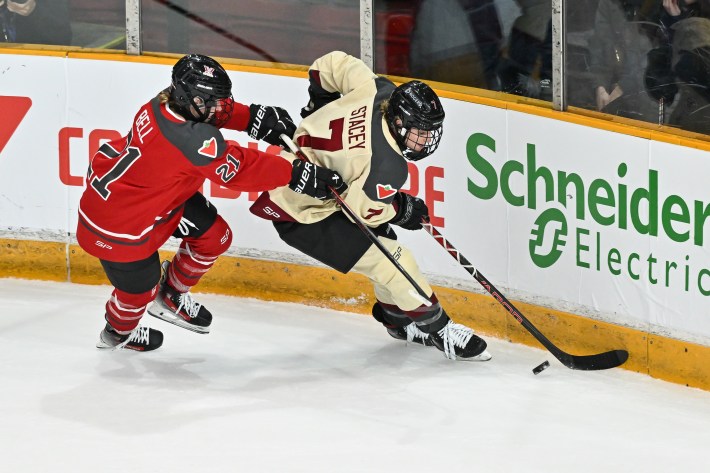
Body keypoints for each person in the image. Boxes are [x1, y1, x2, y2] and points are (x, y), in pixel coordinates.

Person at [77, 53, 344, 352]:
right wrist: (295, 173)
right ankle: (116, 333)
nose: (221, 107)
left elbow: (204, 115)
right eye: (212, 101)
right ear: (189, 97)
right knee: (138, 292)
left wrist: (251, 118)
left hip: (150, 197)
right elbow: (238, 169)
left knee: (216, 236)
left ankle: (171, 296)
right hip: (118, 228)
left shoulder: (163, 103)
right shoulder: (189, 140)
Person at [250, 51, 491, 361]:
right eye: (420, 133)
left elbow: (330, 64)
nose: (426, 141)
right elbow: (361, 212)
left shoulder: (378, 91)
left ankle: (397, 321)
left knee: (384, 243)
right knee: (393, 258)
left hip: (297, 176)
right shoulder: (386, 166)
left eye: (431, 132)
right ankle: (440, 329)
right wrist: (402, 208)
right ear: (400, 121)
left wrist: (317, 107)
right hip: (303, 214)